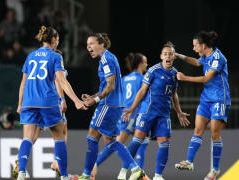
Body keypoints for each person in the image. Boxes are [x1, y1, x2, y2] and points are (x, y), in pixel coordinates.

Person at [16, 25, 87, 180]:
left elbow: (23, 83)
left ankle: (21, 172)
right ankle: (64, 176)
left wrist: (20, 104)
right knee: (59, 137)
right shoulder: (55, 56)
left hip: (29, 102)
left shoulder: (31, 56)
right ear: (54, 40)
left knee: (27, 138)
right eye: (58, 40)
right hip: (47, 102)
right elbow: (60, 80)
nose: (58, 44)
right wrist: (75, 100)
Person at [79, 33, 145, 180]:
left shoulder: (106, 59)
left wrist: (95, 99)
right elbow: (106, 86)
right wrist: (93, 96)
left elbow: (111, 86)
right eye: (87, 44)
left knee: (92, 137)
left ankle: (86, 174)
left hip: (108, 105)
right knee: (110, 141)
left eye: (92, 43)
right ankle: (135, 169)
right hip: (115, 105)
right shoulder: (108, 57)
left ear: (101, 44)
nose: (89, 46)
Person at [122, 41, 190, 180]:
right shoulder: (153, 71)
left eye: (170, 54)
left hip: (163, 114)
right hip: (147, 112)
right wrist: (131, 109)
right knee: (137, 141)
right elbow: (142, 91)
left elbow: (174, 94)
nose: (168, 56)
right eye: (165, 53)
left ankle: (158, 176)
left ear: (174, 57)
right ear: (161, 56)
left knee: (165, 143)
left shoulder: (175, 74)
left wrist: (178, 111)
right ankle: (124, 170)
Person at [174, 30, 231, 180]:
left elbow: (206, 79)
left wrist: (185, 78)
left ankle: (215, 170)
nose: (193, 48)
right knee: (198, 129)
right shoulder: (205, 56)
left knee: (214, 133)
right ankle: (189, 161)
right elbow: (196, 62)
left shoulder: (218, 58)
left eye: (195, 46)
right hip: (206, 99)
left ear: (203, 46)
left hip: (219, 99)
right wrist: (178, 55)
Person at [12, 49, 70, 180]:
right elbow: (58, 82)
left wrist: (20, 103)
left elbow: (24, 82)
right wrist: (62, 99)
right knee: (62, 131)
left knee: (32, 136)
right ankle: (58, 164)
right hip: (51, 103)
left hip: (33, 102)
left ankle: (20, 164)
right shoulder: (57, 63)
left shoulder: (34, 59)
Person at [91, 52, 149, 180]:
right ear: (140, 64)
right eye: (145, 62)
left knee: (141, 142)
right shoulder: (142, 79)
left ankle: (127, 173)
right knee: (117, 143)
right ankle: (95, 165)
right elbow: (143, 97)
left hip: (121, 112)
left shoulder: (124, 79)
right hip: (131, 114)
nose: (146, 64)